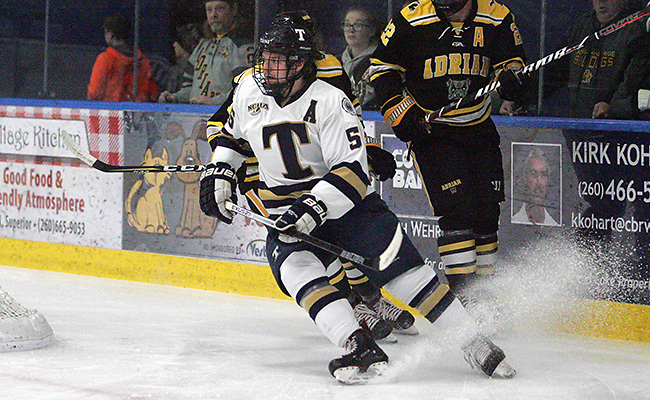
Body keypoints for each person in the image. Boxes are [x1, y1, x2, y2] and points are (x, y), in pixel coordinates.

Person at [199, 22, 515, 382]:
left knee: (406, 277)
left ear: (301, 64)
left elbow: (352, 171)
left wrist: (313, 207)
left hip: (349, 210)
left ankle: (475, 343)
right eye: (265, 59)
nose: (267, 68)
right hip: (288, 212)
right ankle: (358, 346)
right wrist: (220, 171)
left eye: (278, 61)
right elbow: (231, 136)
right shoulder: (247, 92)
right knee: (295, 271)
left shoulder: (331, 101)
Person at [205, 10, 417, 342]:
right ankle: (355, 306)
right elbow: (223, 126)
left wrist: (369, 148)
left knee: (340, 235)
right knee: (311, 248)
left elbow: (350, 122)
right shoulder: (256, 77)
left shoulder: (331, 68)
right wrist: (225, 164)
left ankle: (372, 299)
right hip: (270, 181)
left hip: (320, 173)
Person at [368, 0, 528, 333]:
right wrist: (400, 113)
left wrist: (511, 77)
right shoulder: (411, 19)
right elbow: (382, 71)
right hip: (433, 131)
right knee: (457, 212)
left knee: (486, 212)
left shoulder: (496, 16)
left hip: (478, 125)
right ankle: (463, 297)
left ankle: (483, 294)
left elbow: (510, 61)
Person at [543, 0, 646, 244]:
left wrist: (614, 108)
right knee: (599, 207)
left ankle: (636, 269)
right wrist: (518, 96)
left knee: (636, 208)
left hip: (624, 139)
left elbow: (636, 79)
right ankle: (588, 266)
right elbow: (551, 74)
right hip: (583, 139)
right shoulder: (581, 28)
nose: (601, 3)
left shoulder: (638, 27)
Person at [158, 0, 254, 105]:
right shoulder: (203, 45)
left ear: (234, 10)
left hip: (224, 116)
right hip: (197, 116)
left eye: (220, 9)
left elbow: (245, 89)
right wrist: (175, 98)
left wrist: (214, 102)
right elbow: (190, 87)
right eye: (209, 10)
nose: (213, 15)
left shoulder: (243, 47)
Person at [87, 13, 159, 102]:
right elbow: (153, 93)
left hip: (110, 113)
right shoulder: (143, 62)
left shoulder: (105, 59)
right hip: (137, 113)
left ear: (110, 34)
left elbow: (94, 93)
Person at [339, 6, 383, 109]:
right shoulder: (336, 61)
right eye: (347, 24)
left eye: (358, 25)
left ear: (372, 30)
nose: (351, 30)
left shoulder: (379, 61)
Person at [512, 147, 560, 226]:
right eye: (533, 174)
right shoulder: (514, 221)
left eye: (543, 175)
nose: (539, 182)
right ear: (525, 178)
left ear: (548, 181)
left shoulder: (554, 226)